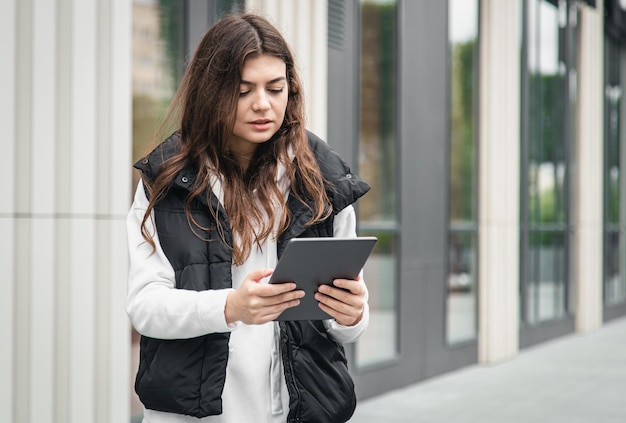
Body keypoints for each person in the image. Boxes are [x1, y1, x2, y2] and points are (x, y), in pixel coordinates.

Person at [126, 13, 370, 423]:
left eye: (276, 89)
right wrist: (231, 306)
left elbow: (343, 321)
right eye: (244, 91)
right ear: (211, 93)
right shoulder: (164, 181)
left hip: (298, 412)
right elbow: (145, 306)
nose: (263, 103)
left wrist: (353, 314)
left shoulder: (323, 179)